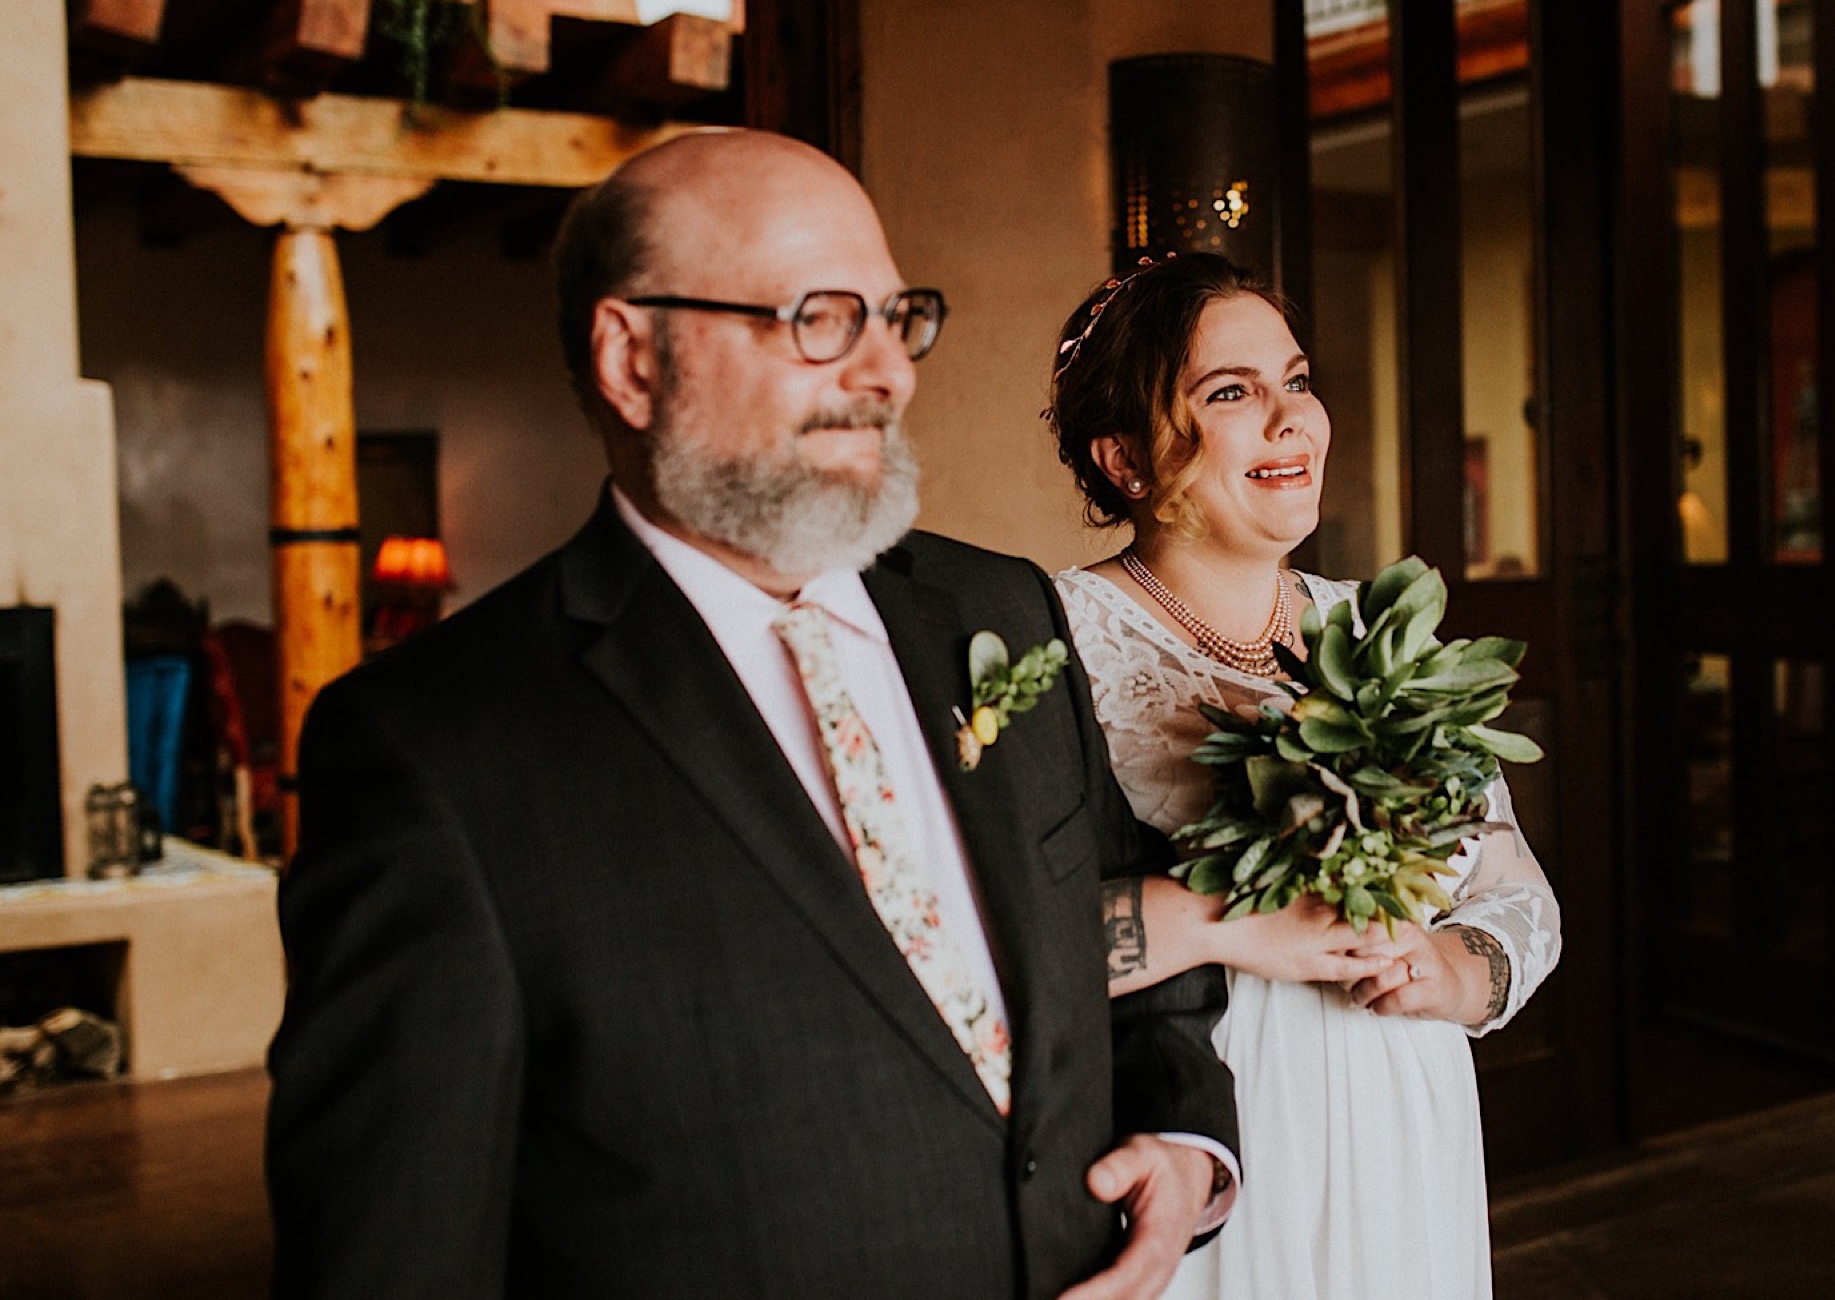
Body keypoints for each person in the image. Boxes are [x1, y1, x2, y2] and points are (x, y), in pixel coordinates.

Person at [265, 131, 1241, 1299]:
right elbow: (392, 1253)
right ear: (633, 358)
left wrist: (1187, 1142)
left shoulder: (999, 608)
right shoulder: (435, 746)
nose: (888, 372)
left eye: (897, 316)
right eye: (821, 317)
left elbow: (1119, 933)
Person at [1043, 252, 1563, 1299]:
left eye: (1296, 378)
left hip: (1400, 1103)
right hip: (1207, 1118)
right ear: (1124, 459)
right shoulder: (1054, 646)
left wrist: (1453, 967)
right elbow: (998, 947)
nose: (1290, 418)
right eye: (1229, 392)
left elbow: (1515, 890)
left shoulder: (1372, 628)